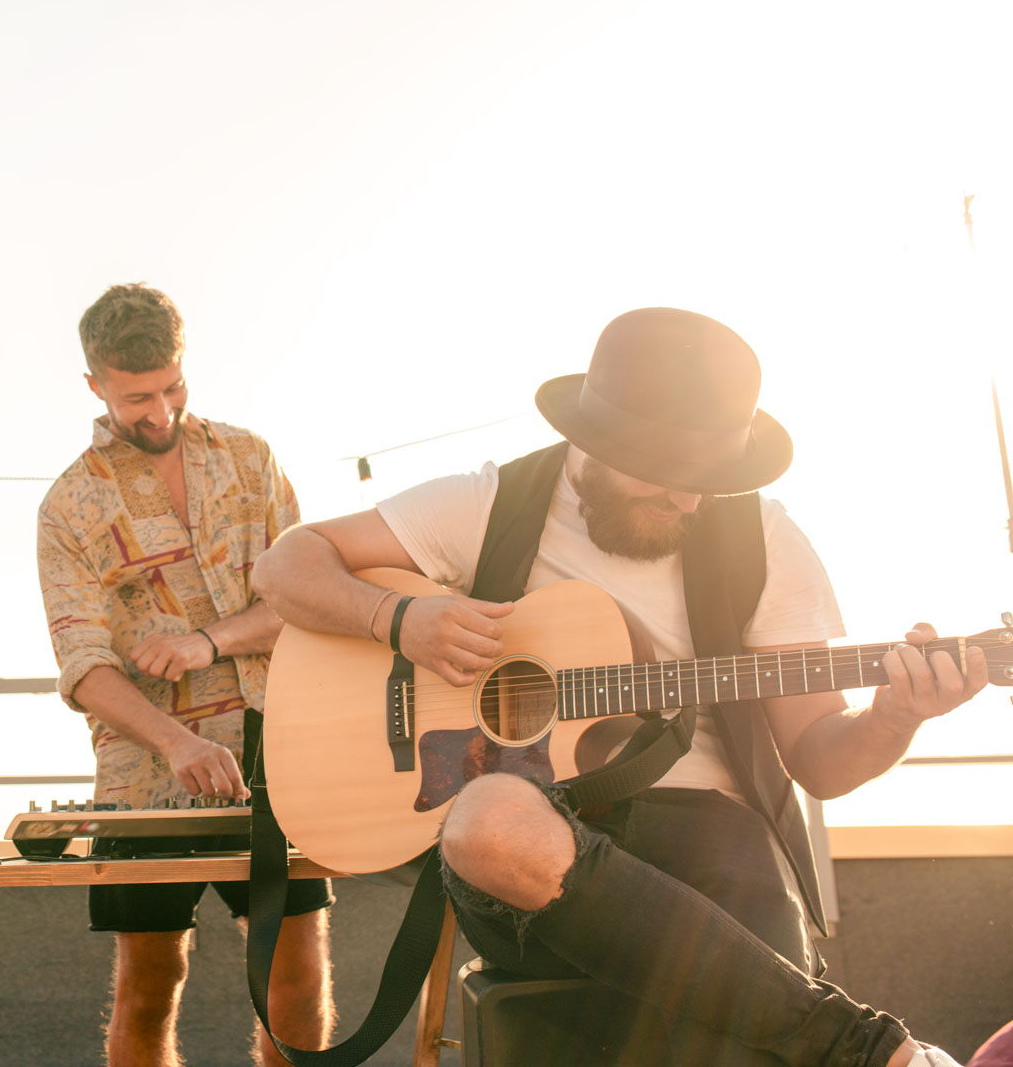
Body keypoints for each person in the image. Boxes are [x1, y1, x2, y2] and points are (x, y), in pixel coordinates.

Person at [252, 306, 991, 1067]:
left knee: (728, 948)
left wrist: (896, 717)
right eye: (667, 475)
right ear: (593, 441)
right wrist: (396, 618)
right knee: (486, 817)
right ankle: (879, 1055)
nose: (690, 501)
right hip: (531, 846)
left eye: (707, 479)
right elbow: (285, 568)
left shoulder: (760, 536)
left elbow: (821, 762)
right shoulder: (492, 502)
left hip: (708, 834)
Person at [36, 283, 334, 1067]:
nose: (160, 412)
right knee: (149, 982)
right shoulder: (66, 505)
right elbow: (83, 667)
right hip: (142, 770)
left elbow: (306, 600)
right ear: (94, 385)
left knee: (296, 978)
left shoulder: (251, 457)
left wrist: (207, 641)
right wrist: (176, 744)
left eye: (172, 388)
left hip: (277, 747)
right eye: (137, 397)